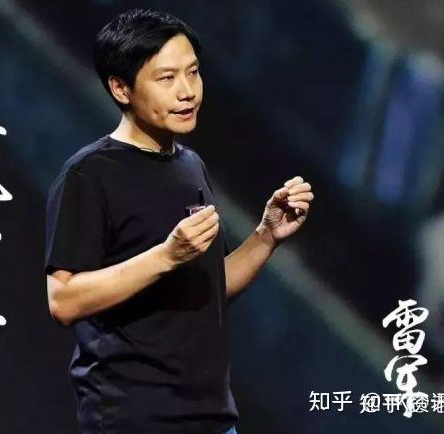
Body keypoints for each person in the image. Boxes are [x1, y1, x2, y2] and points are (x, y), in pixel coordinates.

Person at [44, 9, 314, 434]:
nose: (187, 91)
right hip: (134, 420)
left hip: (212, 420)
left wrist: (266, 236)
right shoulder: (89, 174)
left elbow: (210, 286)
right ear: (121, 88)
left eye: (193, 73)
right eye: (167, 78)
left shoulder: (190, 166)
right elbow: (63, 300)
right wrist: (165, 256)